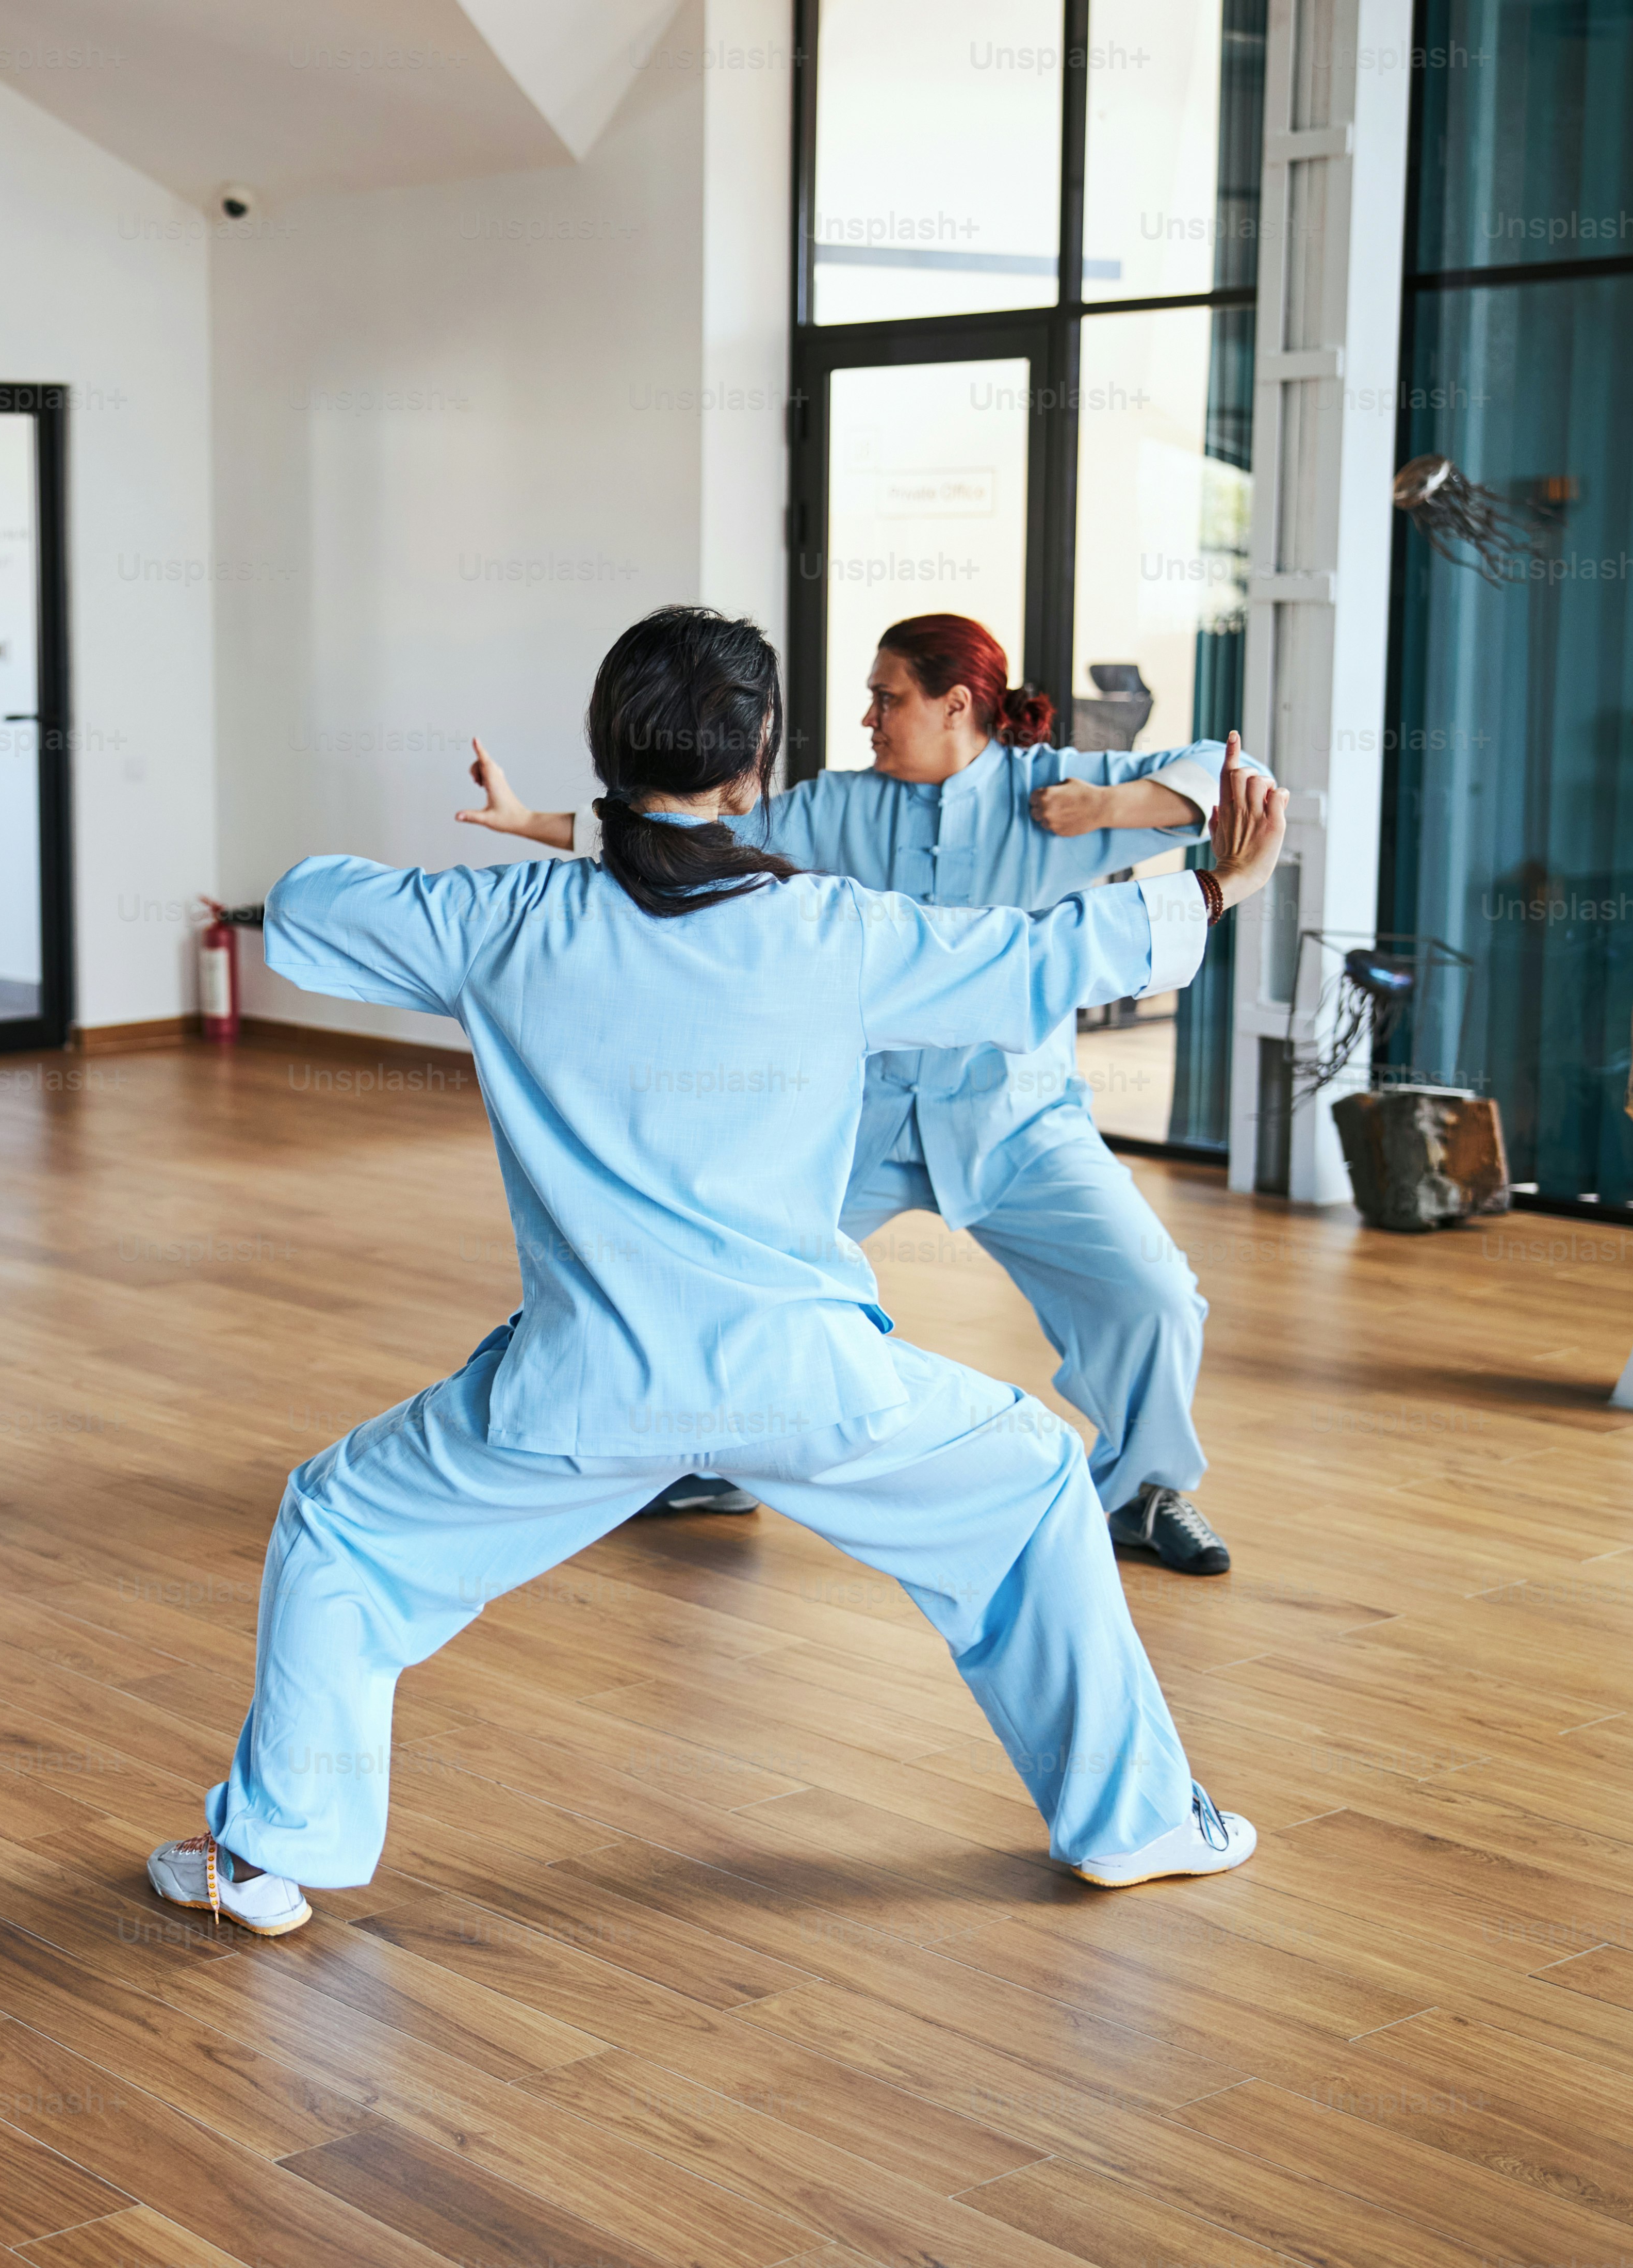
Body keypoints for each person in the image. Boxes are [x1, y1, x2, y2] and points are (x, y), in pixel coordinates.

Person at [148, 606, 1283, 1937]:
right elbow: (1048, 956)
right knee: (1034, 1481)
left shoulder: (501, 921)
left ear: (608, 750)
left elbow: (315, 900)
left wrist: (499, 870)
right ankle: (1137, 1821)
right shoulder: (834, 931)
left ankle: (267, 1855)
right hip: (811, 1385)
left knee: (339, 1529)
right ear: (756, 766)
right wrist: (1215, 889)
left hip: (578, 1400)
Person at [460, 614, 1260, 1577]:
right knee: (719, 1264)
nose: (866, 715)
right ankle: (712, 1456)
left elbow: (1225, 779)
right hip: (861, 1122)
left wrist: (1107, 808)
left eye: (886, 696)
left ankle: (1141, 1492)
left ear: (954, 704)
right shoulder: (832, 806)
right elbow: (681, 826)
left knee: (1155, 1293)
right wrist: (531, 821)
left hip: (1019, 1122)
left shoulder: (1050, 792)